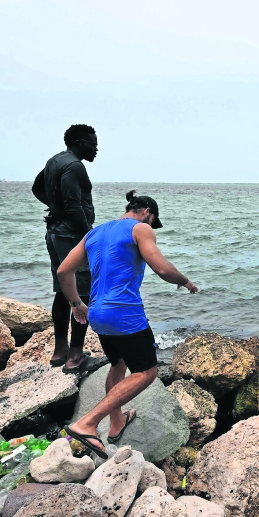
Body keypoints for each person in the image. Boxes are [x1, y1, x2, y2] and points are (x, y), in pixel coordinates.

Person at [56, 191, 197, 457]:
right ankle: (87, 423)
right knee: (147, 372)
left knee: (118, 364)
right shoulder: (140, 228)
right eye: (153, 222)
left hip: (97, 313)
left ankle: (117, 421)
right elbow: (163, 269)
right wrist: (185, 281)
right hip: (124, 313)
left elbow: (63, 270)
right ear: (146, 212)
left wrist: (76, 304)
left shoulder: (94, 233)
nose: (151, 228)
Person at [32, 124, 97, 372]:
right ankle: (75, 355)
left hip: (55, 234)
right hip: (71, 236)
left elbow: (37, 187)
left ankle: (60, 350)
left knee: (62, 290)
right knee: (82, 292)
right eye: (93, 144)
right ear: (80, 143)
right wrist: (89, 238)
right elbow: (73, 206)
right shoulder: (74, 166)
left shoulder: (55, 161)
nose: (96, 149)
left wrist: (53, 207)